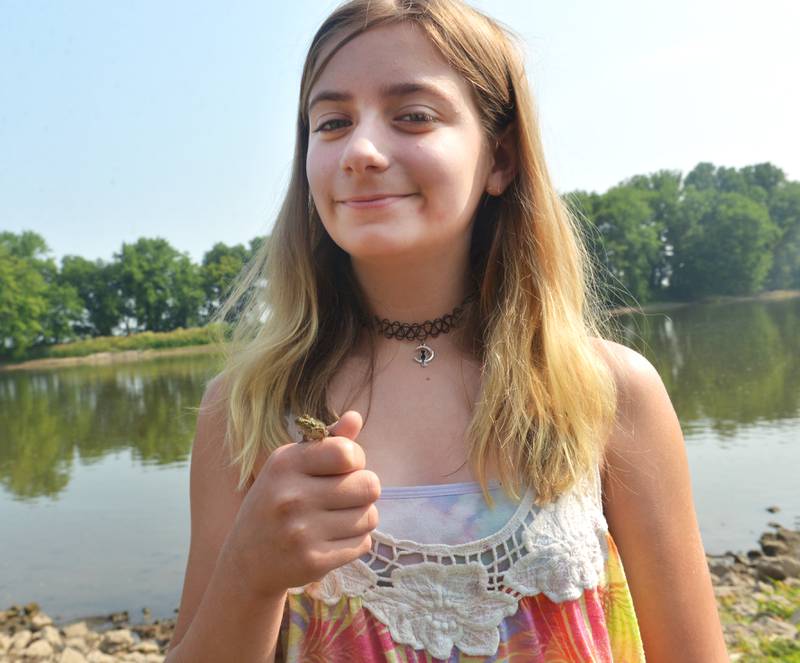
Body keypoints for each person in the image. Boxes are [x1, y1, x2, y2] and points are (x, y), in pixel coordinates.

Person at [165, 1, 729, 661]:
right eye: (332, 121)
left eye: (413, 116)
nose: (362, 151)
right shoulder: (244, 412)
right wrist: (249, 574)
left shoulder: (613, 392)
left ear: (502, 159)